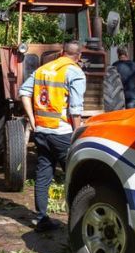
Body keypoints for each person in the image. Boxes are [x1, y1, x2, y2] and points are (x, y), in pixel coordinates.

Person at [20, 40, 86, 231]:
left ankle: (42, 219)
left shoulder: (43, 69)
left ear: (62, 52)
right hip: (62, 133)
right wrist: (77, 134)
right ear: (78, 56)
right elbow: (75, 109)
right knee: (76, 176)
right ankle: (77, 223)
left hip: (42, 132)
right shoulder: (74, 72)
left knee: (43, 175)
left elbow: (24, 92)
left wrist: (33, 121)